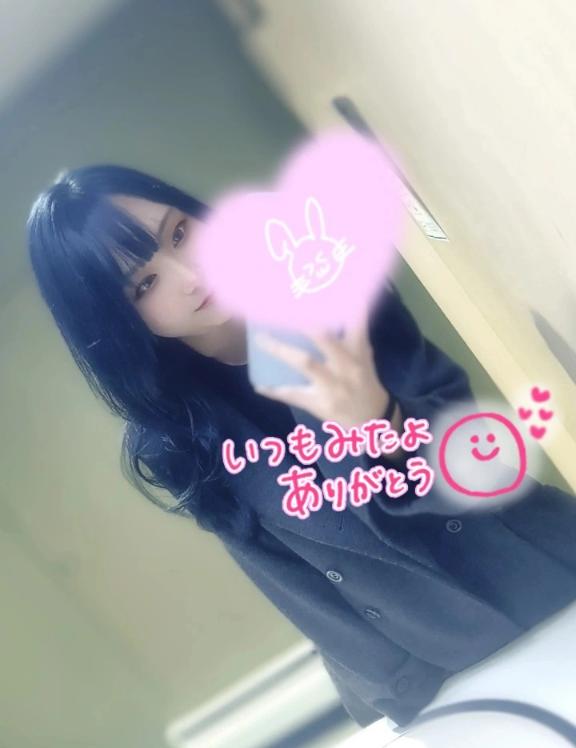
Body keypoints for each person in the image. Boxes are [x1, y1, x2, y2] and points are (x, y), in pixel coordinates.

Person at [26, 165, 576, 728]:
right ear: (120, 323)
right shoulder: (172, 437)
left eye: (180, 233)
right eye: (145, 285)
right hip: (423, 663)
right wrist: (400, 690)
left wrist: (379, 422)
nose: (189, 275)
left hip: (531, 568)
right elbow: (286, 576)